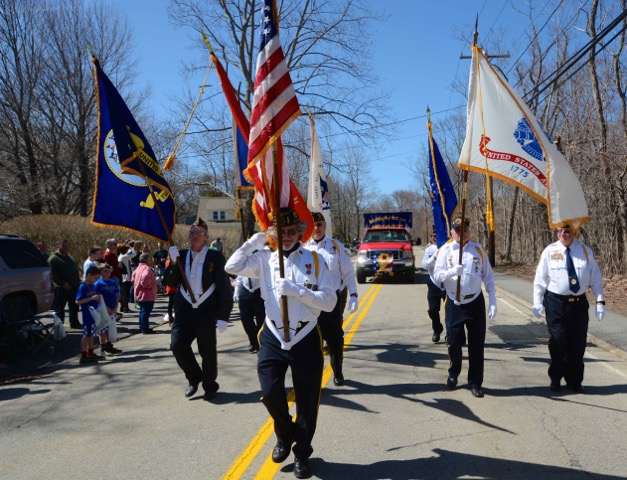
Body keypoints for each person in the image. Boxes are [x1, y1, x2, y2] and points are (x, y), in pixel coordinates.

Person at [225, 208, 336, 479]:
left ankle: (302, 454)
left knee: (307, 401)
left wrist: (298, 291)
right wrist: (255, 241)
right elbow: (232, 266)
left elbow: (330, 302)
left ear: (300, 231)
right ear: (274, 233)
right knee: (270, 392)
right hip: (274, 335)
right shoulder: (264, 260)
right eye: (281, 232)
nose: (286, 236)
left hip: (305, 335)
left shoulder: (317, 260)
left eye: (291, 231)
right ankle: (285, 434)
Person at [164, 218, 233, 401]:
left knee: (207, 350)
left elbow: (224, 287)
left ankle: (210, 385)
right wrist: (171, 264)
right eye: (192, 232)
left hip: (206, 308)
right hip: (185, 308)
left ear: (206, 236)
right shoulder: (181, 255)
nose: (195, 236)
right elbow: (170, 283)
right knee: (177, 345)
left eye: (199, 233)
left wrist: (224, 315)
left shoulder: (214, 256)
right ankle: (194, 377)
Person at [532, 224, 605, 393]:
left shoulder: (585, 251)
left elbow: (595, 278)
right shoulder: (549, 251)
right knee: (558, 340)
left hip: (578, 304)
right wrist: (537, 302)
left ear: (574, 232)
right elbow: (540, 279)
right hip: (556, 303)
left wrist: (600, 300)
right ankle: (556, 378)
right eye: (559, 231)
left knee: (578, 343)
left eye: (567, 231)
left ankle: (575, 381)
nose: (563, 234)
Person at [433, 218, 497, 399]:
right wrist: (451, 272)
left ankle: (475, 382)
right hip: (454, 303)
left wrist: (493, 300)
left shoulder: (478, 250)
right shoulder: (445, 251)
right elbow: (437, 276)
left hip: (475, 302)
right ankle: (453, 373)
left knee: (477, 345)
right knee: (453, 341)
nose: (462, 233)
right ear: (452, 232)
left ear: (469, 230)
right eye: (458, 230)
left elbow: (488, 277)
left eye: (465, 229)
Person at [304, 211, 358, 386]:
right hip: (310, 301)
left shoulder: (336, 246)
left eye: (319, 224)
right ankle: (314, 377)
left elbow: (348, 272)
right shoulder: (303, 248)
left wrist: (354, 295)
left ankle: (338, 371)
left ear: (325, 226)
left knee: (334, 338)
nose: (317, 228)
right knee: (311, 341)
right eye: (313, 225)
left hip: (331, 300)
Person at [48, 239, 82, 329]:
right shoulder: (53, 258)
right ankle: (59, 327)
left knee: (74, 306)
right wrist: (63, 283)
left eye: (66, 245)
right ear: (57, 246)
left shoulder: (69, 256)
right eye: (63, 246)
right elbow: (52, 274)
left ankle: (74, 323)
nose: (65, 247)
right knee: (60, 308)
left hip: (74, 286)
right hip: (61, 287)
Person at [421, 231, 446, 343]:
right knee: (432, 311)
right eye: (433, 236)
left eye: (437, 235)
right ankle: (437, 329)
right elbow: (425, 265)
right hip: (433, 284)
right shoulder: (429, 250)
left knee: (451, 311)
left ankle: (452, 333)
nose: (435, 238)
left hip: (447, 284)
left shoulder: (448, 247)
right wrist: (434, 257)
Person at [75, 266, 103, 363]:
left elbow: (96, 294)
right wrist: (91, 298)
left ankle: (90, 352)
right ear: (89, 275)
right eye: (95, 278)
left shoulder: (92, 285)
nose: (95, 280)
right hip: (87, 315)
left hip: (94, 314)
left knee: (91, 335)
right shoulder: (83, 286)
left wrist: (98, 297)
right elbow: (78, 301)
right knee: (86, 335)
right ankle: (83, 355)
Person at [95, 264, 122, 356]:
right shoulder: (98, 284)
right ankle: (103, 347)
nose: (107, 273)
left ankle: (109, 345)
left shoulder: (112, 282)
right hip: (103, 310)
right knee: (103, 329)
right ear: (100, 273)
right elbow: (99, 298)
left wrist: (115, 307)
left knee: (110, 329)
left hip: (112, 309)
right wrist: (107, 308)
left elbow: (116, 295)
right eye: (104, 271)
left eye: (108, 271)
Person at [233, 274, 265, 353]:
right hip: (245, 292)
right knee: (245, 319)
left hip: (260, 291)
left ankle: (259, 344)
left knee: (261, 322)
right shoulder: (244, 263)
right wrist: (236, 293)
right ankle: (253, 341)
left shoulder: (261, 261)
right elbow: (240, 278)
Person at [131, 253, 157, 334]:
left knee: (142, 311)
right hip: (146, 295)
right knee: (145, 312)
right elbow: (145, 278)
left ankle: (142, 327)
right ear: (147, 260)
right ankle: (145, 328)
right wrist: (148, 286)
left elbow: (132, 279)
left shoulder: (137, 268)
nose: (151, 261)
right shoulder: (147, 269)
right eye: (150, 259)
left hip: (138, 294)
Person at [117, 244, 133, 313]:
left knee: (123, 292)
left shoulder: (120, 256)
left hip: (123, 276)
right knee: (126, 293)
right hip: (126, 276)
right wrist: (131, 247)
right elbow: (134, 253)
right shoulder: (125, 256)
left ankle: (122, 307)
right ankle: (126, 308)